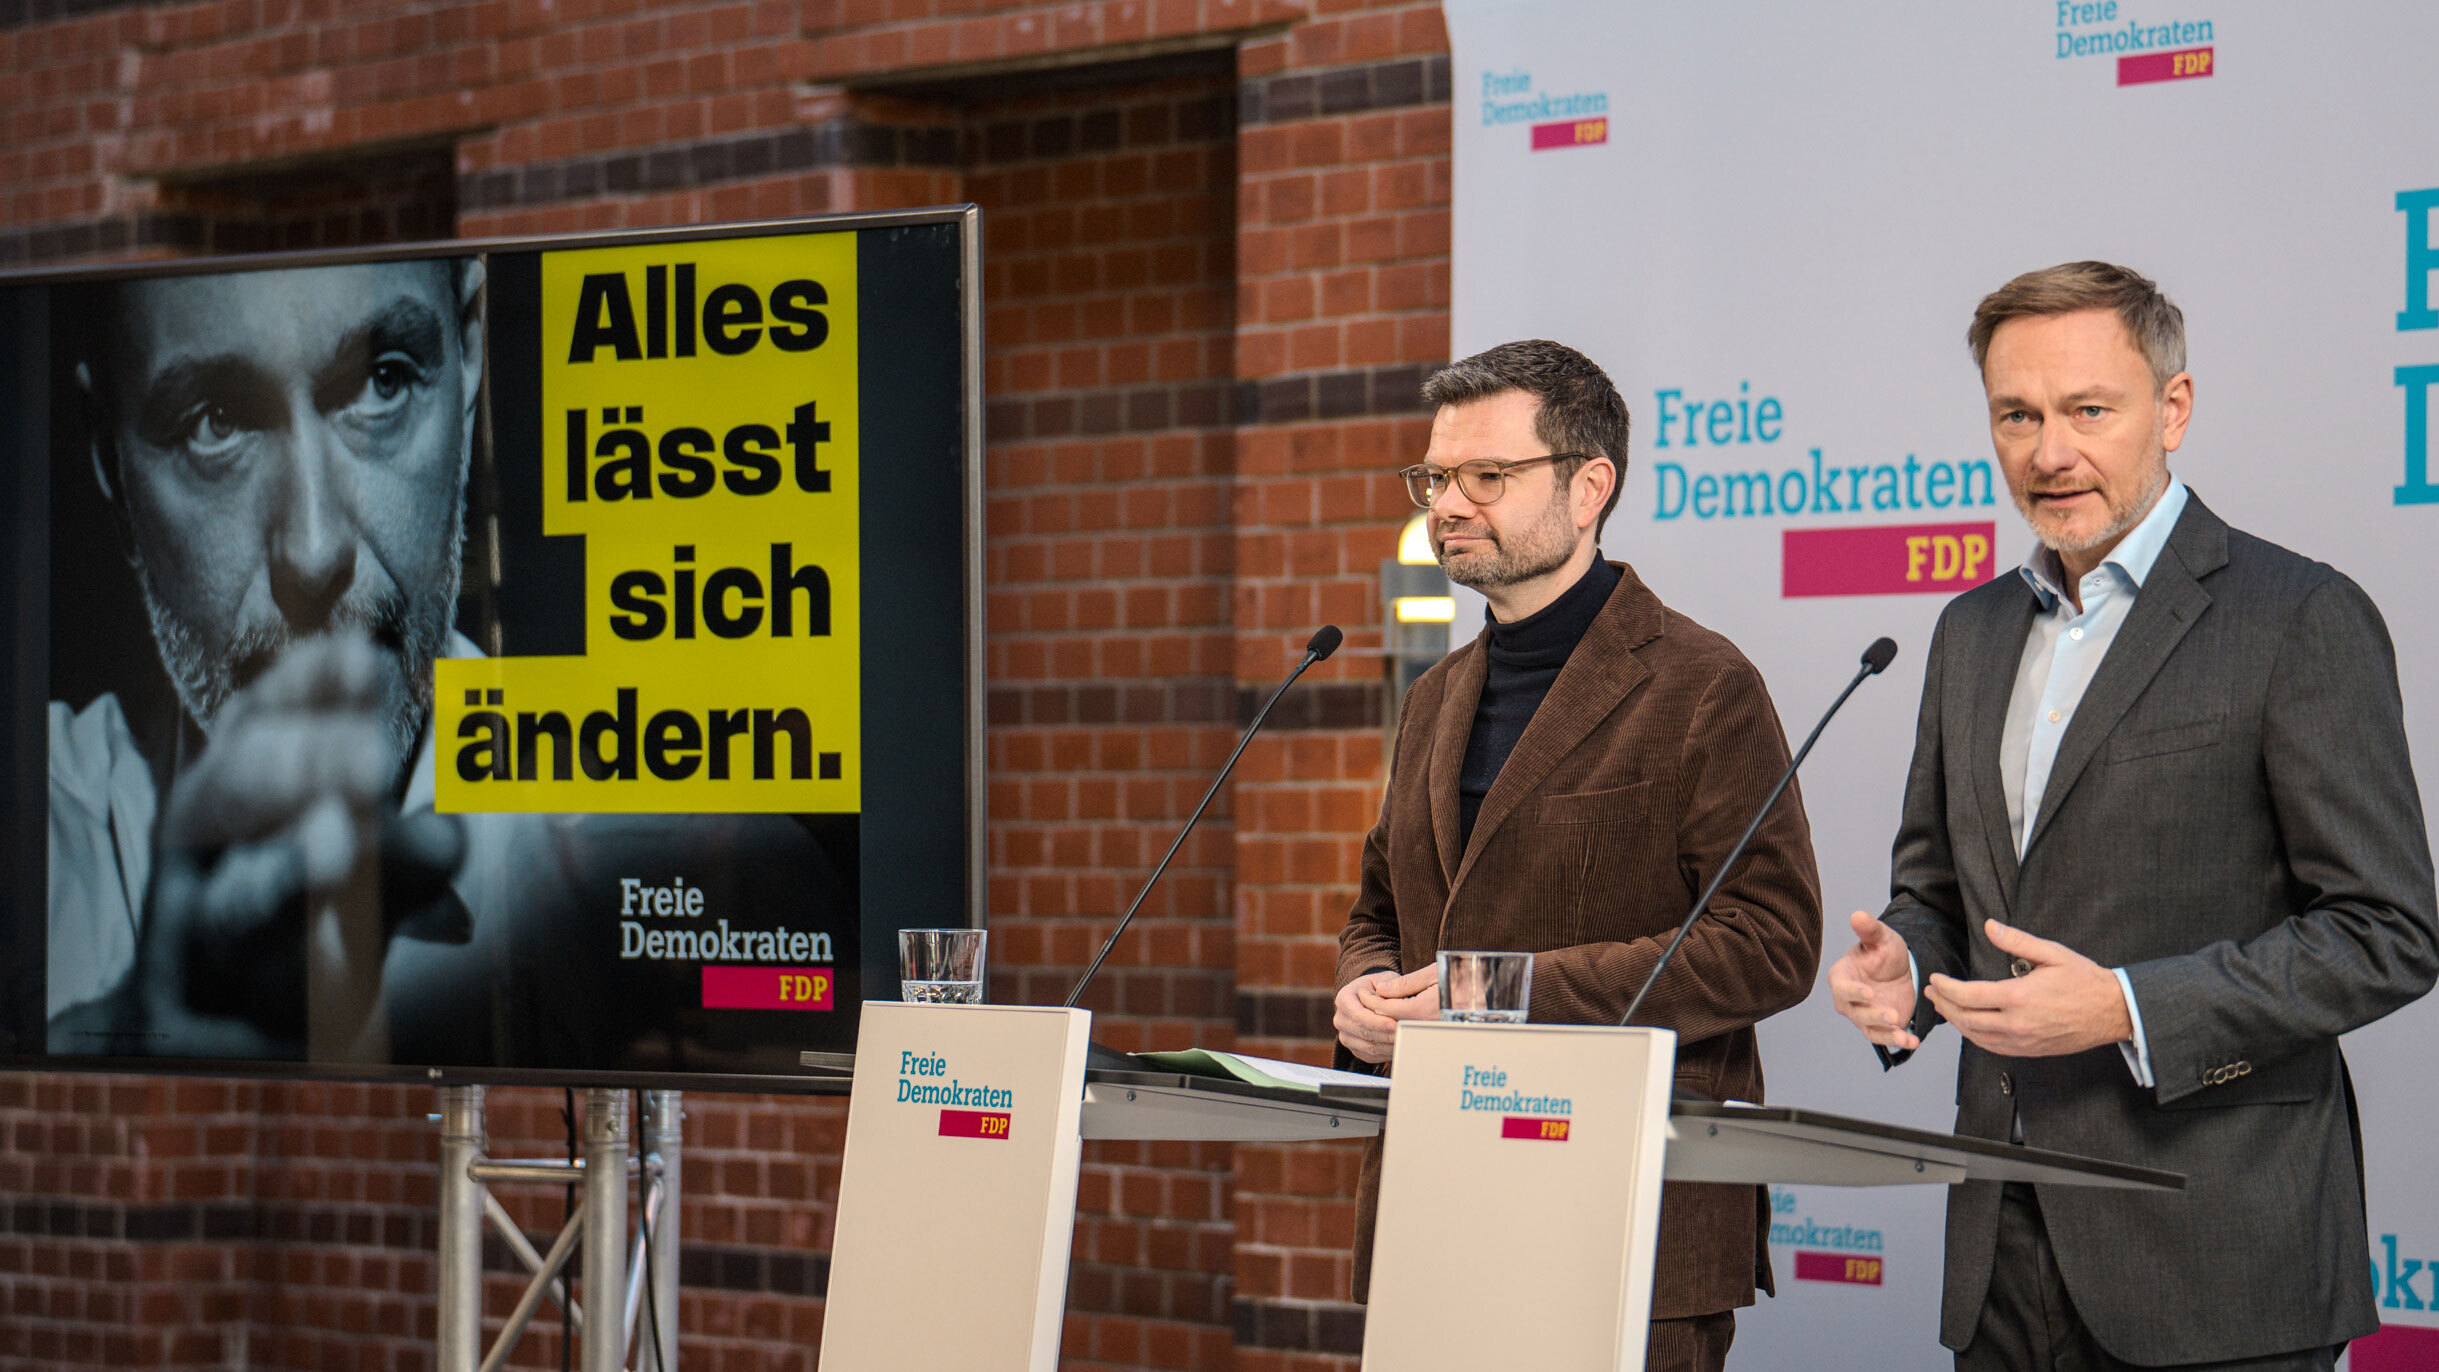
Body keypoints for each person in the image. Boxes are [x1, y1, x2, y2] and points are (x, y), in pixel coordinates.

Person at [1828, 261, 2439, 1370]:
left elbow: (2386, 933)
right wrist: (1909, 970)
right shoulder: (1967, 636)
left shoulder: (2297, 616)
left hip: (2217, 1260)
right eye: (2017, 414)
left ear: (2174, 409)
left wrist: (2124, 1007)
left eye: (2087, 411)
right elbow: (1938, 888)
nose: (2048, 451)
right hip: (2002, 1249)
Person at [47, 258, 847, 1067]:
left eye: (380, 383)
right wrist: (119, 1058)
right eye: (212, 422)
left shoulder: (697, 859)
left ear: (468, 351)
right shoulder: (37, 837)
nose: (315, 550)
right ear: (110, 460)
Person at [1333, 339, 1823, 1372]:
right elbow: (1383, 909)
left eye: (1488, 477)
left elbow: (1770, 943)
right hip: (1440, 1213)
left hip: (1625, 1227)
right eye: (1435, 477)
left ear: (1590, 485)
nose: (1450, 504)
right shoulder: (1433, 699)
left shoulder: (1701, 685)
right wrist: (1364, 989)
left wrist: (1501, 995)